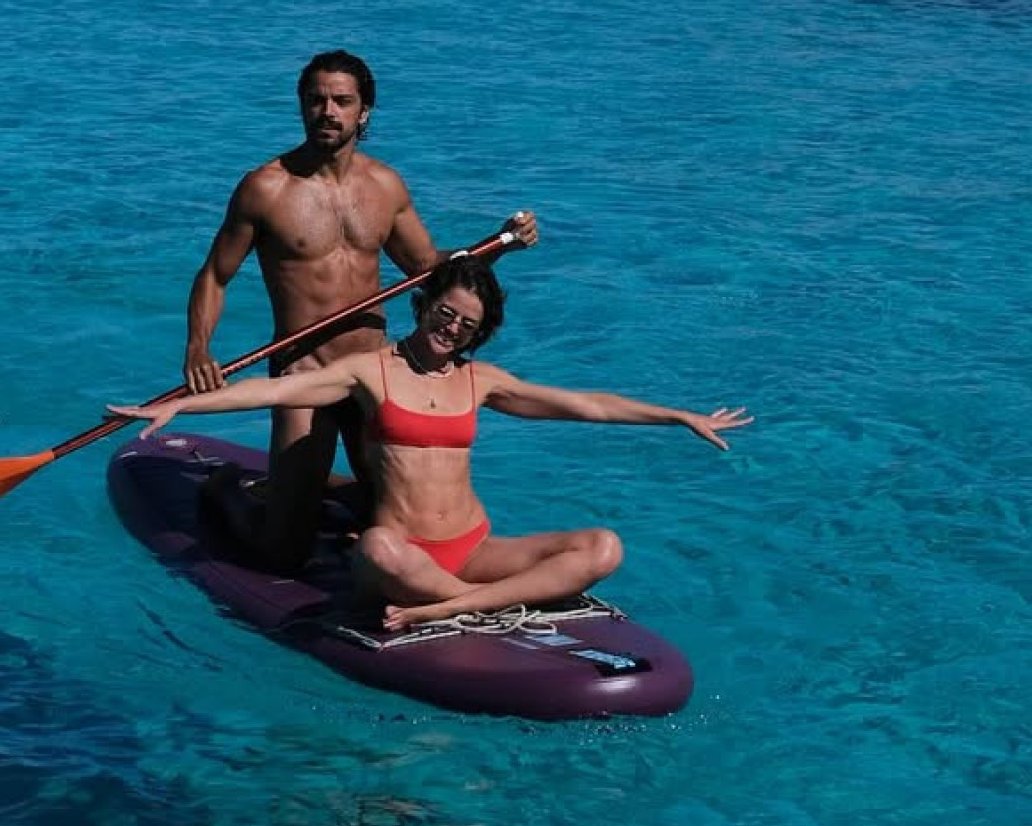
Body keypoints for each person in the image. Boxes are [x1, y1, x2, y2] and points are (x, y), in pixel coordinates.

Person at [121, 255, 749, 629]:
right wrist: (184, 403)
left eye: (467, 325)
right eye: (445, 313)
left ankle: (449, 608)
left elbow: (586, 404)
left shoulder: (481, 382)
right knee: (374, 550)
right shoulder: (371, 370)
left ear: (479, 334)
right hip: (403, 554)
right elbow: (272, 392)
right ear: (423, 305)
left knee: (603, 547)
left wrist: (678, 416)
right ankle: (478, 606)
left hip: (472, 549)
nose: (451, 329)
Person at [184, 49, 537, 570]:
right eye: (317, 100)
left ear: (363, 111)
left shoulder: (384, 187)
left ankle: (319, 484)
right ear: (302, 106)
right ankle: (228, 490)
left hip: (377, 375)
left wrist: (497, 247)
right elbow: (215, 275)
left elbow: (425, 265)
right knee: (283, 554)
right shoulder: (265, 188)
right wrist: (198, 347)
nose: (328, 111)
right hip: (304, 373)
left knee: (400, 517)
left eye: (342, 101)